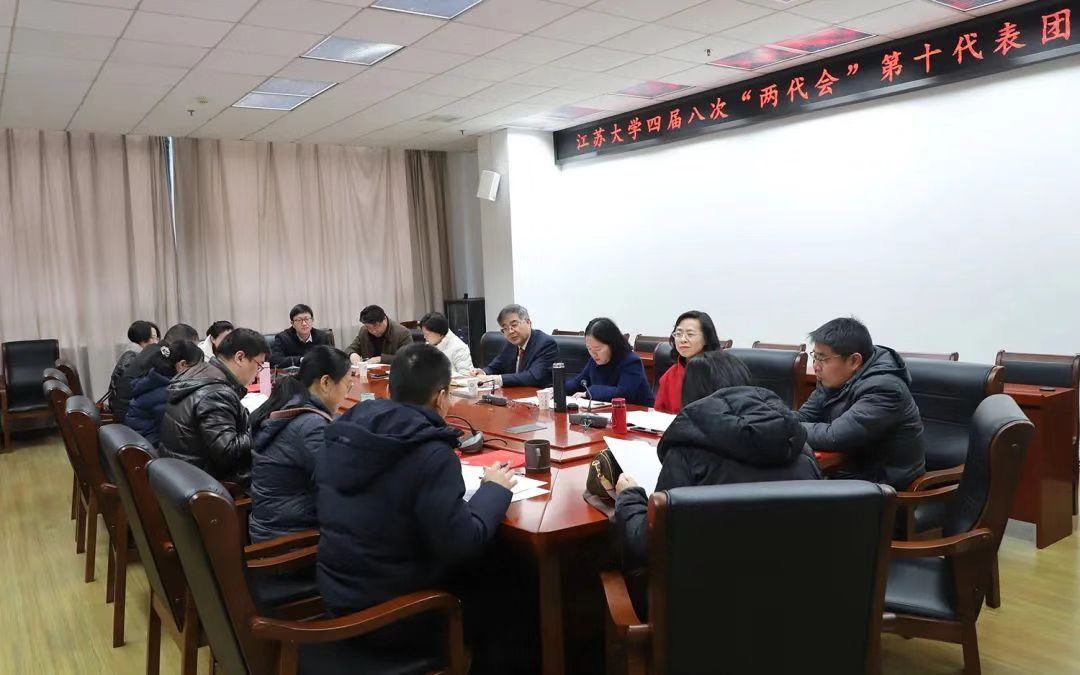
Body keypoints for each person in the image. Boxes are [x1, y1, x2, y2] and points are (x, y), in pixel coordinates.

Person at [315, 343, 516, 659]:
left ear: (389, 390)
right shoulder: (430, 453)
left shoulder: (343, 433)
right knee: (512, 584)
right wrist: (494, 489)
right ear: (441, 397)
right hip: (397, 618)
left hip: (338, 599)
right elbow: (463, 546)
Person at [614, 350, 822, 615]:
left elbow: (649, 544)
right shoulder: (799, 443)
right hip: (797, 602)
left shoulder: (687, 451)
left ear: (691, 394)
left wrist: (630, 495)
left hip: (708, 611)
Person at [797, 317, 925, 490]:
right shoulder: (832, 378)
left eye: (822, 358)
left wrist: (786, 427)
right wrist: (774, 422)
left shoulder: (884, 388)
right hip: (847, 474)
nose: (816, 366)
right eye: (815, 356)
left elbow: (835, 436)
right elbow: (804, 416)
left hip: (883, 487)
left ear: (854, 361)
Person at [246, 345, 351, 543]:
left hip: (272, 527)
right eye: (348, 385)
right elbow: (344, 483)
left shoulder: (290, 402)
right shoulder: (310, 425)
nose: (347, 393)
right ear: (326, 383)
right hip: (290, 541)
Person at [159, 328, 270, 488]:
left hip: (181, 476)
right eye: (259, 365)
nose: (258, 373)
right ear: (240, 357)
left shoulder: (199, 372)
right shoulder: (216, 393)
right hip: (205, 485)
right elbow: (228, 453)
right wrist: (260, 427)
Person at [112, 322, 198, 424]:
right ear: (183, 345)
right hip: (133, 420)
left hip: (127, 415)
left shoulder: (153, 351)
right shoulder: (163, 360)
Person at [125, 340, 204, 446]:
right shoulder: (170, 393)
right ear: (182, 365)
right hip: (156, 450)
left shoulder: (155, 380)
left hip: (147, 444)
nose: (201, 373)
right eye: (198, 368)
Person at [565, 317, 654, 407]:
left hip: (638, 412)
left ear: (612, 344)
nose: (593, 354)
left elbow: (623, 393)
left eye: (597, 349)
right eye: (589, 348)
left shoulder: (631, 362)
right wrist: (559, 389)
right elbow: (577, 383)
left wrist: (589, 393)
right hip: (605, 411)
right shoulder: (594, 361)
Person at [653, 310, 724, 414]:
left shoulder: (720, 372)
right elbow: (659, 413)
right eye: (678, 334)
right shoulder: (670, 375)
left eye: (690, 334)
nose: (683, 339)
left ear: (706, 338)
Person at [470, 304, 557, 388]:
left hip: (538, 394)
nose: (510, 331)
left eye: (514, 325)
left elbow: (533, 377)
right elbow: (496, 366)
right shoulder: (510, 344)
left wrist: (497, 379)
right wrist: (483, 372)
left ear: (528, 323)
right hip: (514, 394)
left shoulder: (546, 344)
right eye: (505, 328)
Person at [106, 320, 160, 419]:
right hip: (128, 414)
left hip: (124, 410)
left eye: (157, 338)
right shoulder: (135, 359)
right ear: (143, 338)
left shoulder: (131, 353)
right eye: (153, 337)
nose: (156, 342)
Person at [270, 304, 335, 368]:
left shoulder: (322, 336)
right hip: (293, 374)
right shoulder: (283, 338)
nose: (304, 323)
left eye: (307, 319)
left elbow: (332, 358)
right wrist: (301, 360)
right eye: (299, 320)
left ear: (312, 320)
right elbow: (274, 360)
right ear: (292, 324)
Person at [345, 305, 412, 366]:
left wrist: (380, 359)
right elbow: (350, 349)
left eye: (376, 326)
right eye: (369, 327)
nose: (373, 331)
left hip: (393, 373)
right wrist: (353, 355)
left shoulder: (402, 333)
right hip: (370, 373)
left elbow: (408, 359)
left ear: (384, 319)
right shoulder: (364, 331)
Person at [419, 312, 474, 378]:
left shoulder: (459, 348)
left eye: (427, 334)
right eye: (424, 334)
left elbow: (466, 377)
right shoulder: (429, 345)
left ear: (439, 332)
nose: (424, 337)